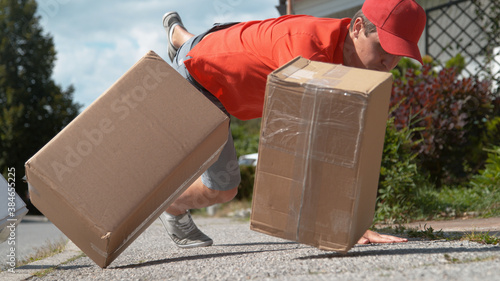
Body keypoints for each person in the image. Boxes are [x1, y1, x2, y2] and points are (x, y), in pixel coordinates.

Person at [158, 0, 426, 248]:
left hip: (220, 43)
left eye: (400, 53)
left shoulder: (348, 50)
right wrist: (339, 223)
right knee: (222, 189)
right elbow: (300, 144)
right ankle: (170, 206)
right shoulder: (308, 54)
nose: (389, 63)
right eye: (384, 48)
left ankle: (180, 37)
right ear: (357, 27)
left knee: (199, 46)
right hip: (202, 81)